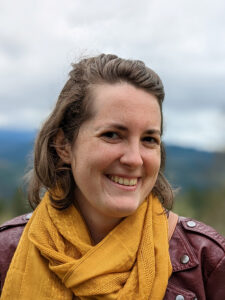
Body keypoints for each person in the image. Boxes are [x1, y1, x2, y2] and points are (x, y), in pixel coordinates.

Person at [0, 54, 224, 300]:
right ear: (64, 145)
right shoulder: (5, 253)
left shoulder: (206, 261)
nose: (135, 159)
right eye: (112, 135)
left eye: (149, 139)